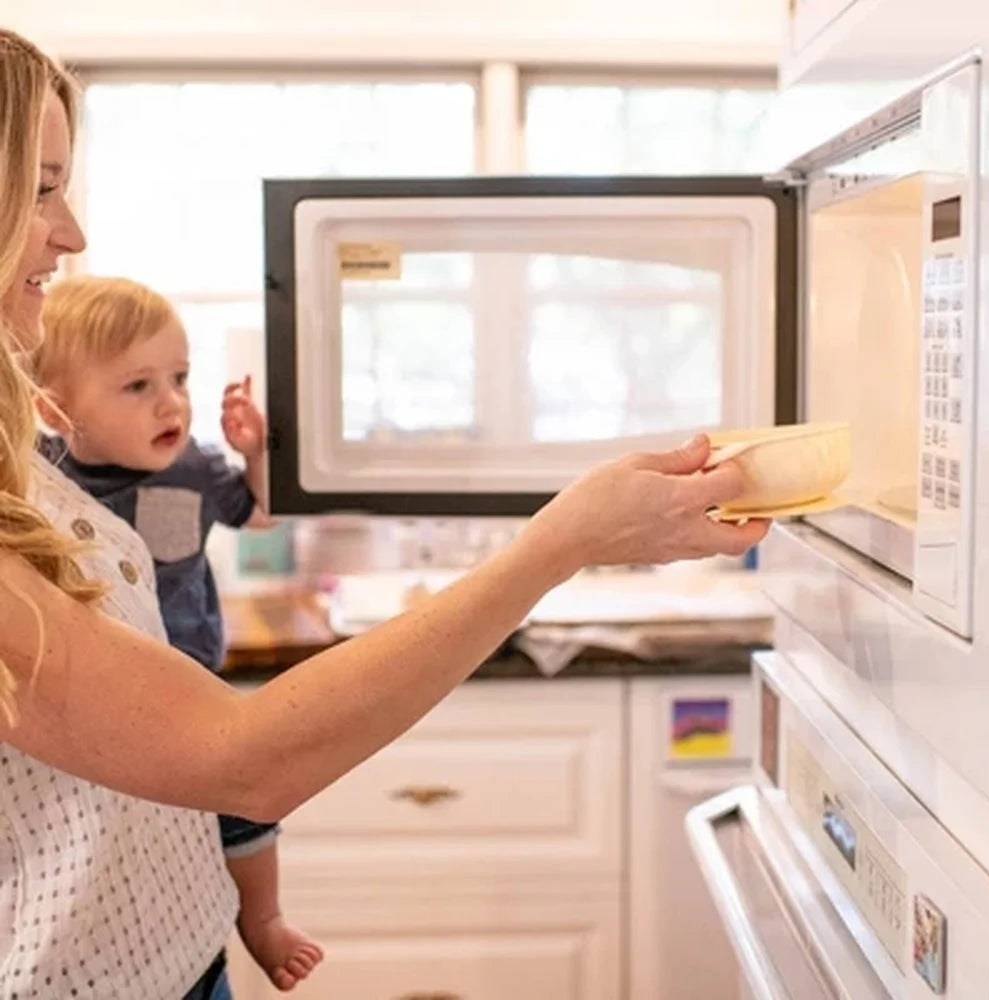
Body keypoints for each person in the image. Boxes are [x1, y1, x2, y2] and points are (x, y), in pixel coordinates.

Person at [0, 27, 769, 1000]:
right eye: (38, 186)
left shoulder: (29, 466)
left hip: (177, 962)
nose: (70, 231)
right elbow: (243, 760)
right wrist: (563, 540)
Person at [31, 273, 322, 991]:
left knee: (243, 812)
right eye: (137, 386)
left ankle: (263, 919)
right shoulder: (42, 481)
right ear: (56, 410)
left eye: (180, 377)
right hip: (95, 698)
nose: (172, 402)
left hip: (191, 687)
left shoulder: (191, 467)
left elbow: (261, 514)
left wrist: (255, 454)